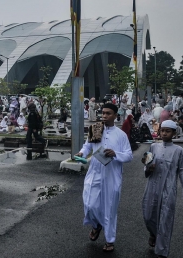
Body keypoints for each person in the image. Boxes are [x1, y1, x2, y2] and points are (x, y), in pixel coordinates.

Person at [74, 103, 133, 253]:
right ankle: (96, 225)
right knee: (89, 203)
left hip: (112, 174)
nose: (104, 116)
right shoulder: (96, 129)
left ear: (115, 115)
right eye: (103, 113)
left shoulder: (121, 135)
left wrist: (116, 154)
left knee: (110, 208)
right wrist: (82, 152)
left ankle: (109, 240)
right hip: (95, 171)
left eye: (108, 113)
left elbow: (129, 155)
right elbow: (87, 146)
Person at [142, 120, 183, 258]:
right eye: (162, 130)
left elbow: (182, 171)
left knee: (165, 220)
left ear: (174, 133)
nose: (164, 133)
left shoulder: (179, 151)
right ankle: (153, 233)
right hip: (152, 187)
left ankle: (162, 251)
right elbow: (146, 165)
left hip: (168, 189)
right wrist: (148, 167)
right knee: (148, 216)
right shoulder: (153, 146)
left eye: (167, 131)